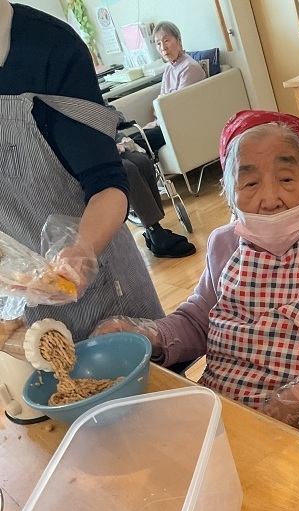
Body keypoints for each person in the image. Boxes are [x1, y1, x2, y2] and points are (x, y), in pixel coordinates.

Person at [94, 110, 299, 436]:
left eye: (286, 179)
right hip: (217, 412)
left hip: (298, 426)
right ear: (228, 193)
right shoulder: (223, 244)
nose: (270, 200)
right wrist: (149, 334)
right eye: (251, 183)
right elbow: (199, 320)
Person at [0, 0, 163, 342]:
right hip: (17, 308)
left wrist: (84, 250)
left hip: (99, 289)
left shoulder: (49, 46)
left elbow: (108, 184)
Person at [111, 105, 196, 258]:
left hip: (114, 144)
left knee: (143, 161)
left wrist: (111, 122)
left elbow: (114, 112)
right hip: (94, 154)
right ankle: (155, 231)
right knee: (128, 169)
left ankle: (153, 230)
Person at [138, 20, 207, 153]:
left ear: (179, 41)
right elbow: (159, 105)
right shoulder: (169, 68)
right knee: (131, 140)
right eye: (158, 43)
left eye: (166, 40)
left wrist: (161, 105)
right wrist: (161, 105)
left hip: (180, 126)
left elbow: (175, 107)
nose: (163, 47)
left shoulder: (189, 68)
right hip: (165, 123)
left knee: (136, 144)